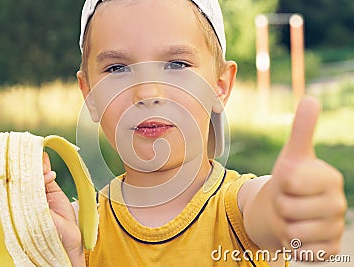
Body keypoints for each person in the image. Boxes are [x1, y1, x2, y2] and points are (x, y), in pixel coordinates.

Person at [42, 0, 347, 266]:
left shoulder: (239, 209)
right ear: (90, 95)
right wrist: (61, 254)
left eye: (176, 64)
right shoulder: (77, 230)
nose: (147, 92)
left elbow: (268, 210)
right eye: (117, 68)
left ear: (220, 86)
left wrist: (289, 208)